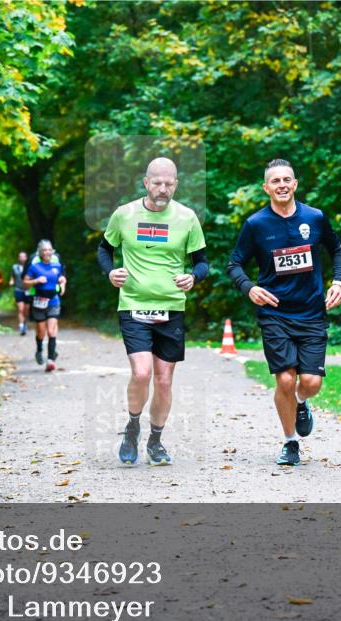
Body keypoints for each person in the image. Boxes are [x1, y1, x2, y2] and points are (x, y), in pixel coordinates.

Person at [226, 158, 341, 466]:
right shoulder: (256, 224)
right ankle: (290, 443)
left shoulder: (315, 218)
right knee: (284, 381)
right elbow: (234, 263)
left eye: (287, 180)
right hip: (275, 313)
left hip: (311, 312)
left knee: (310, 383)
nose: (282, 185)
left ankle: (302, 403)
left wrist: (339, 282)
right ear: (266, 187)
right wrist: (249, 288)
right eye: (275, 181)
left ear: (295, 184)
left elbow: (337, 249)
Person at [97, 157, 209, 466]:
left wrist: (194, 277)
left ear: (176, 184)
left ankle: (155, 441)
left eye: (168, 183)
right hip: (133, 304)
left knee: (163, 381)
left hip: (171, 307)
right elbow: (104, 249)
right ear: (146, 183)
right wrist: (110, 272)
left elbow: (202, 262)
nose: (162, 189)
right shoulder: (124, 215)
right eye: (157, 183)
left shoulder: (187, 218)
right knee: (142, 372)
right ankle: (132, 426)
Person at [24, 240, 67, 372]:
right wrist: (36, 280)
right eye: (44, 250)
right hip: (39, 302)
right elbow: (25, 283)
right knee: (41, 332)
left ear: (52, 251)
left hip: (53, 301)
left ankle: (50, 360)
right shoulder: (34, 267)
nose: (47, 252)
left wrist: (62, 283)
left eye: (49, 250)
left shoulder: (57, 265)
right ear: (40, 253)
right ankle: (39, 349)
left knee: (51, 330)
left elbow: (62, 278)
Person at [9, 251, 31, 335]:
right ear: (18, 258)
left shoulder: (30, 267)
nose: (22, 258)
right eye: (20, 257)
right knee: (20, 309)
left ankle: (25, 322)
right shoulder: (15, 267)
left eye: (23, 256)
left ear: (26, 258)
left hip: (28, 290)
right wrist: (11, 281)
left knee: (26, 310)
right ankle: (21, 325)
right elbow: (12, 277)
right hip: (18, 289)